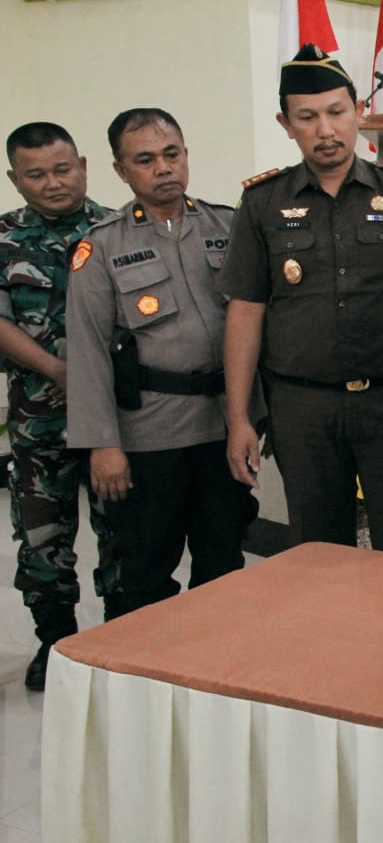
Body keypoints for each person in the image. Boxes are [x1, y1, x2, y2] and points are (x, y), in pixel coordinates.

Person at [219, 45, 383, 557]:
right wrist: (239, 419)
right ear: (286, 124)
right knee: (316, 554)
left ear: (359, 111)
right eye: (307, 117)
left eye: (337, 112)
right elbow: (246, 311)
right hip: (303, 409)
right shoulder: (263, 203)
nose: (325, 129)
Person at [65, 108, 258, 618]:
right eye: (145, 160)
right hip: (149, 432)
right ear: (121, 170)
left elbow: (258, 321)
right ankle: (153, 662)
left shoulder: (228, 226)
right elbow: (86, 352)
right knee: (148, 567)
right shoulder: (102, 246)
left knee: (224, 557)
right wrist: (103, 444)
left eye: (172, 154)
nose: (163, 168)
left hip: (222, 425)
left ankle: (218, 655)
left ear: (186, 154)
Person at [1, 122, 112, 690]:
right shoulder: (4, 238)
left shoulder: (117, 228)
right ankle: (56, 645)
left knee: (124, 534)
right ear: (15, 179)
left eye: (63, 169)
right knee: (43, 540)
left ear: (84, 166)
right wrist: (59, 371)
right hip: (39, 419)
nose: (53, 183)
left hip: (116, 421)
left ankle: (123, 644)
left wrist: (93, 378)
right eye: (36, 174)